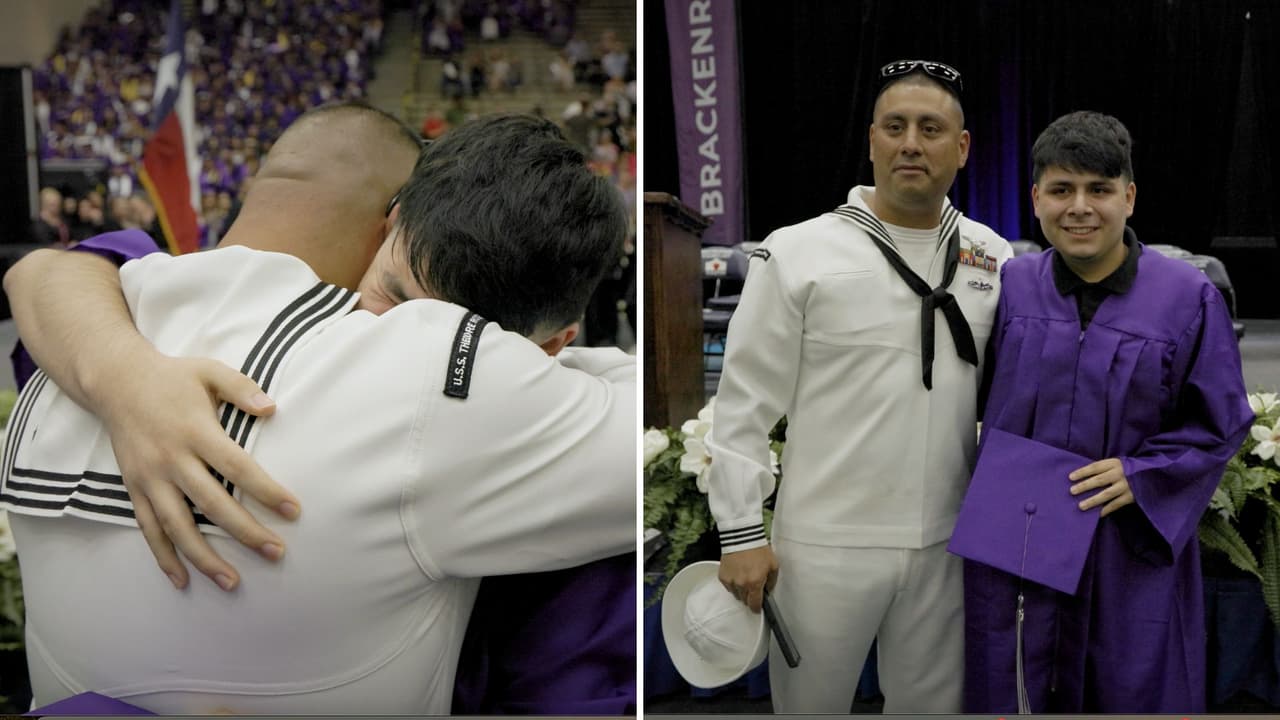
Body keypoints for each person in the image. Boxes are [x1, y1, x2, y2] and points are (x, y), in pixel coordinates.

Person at [1, 109, 635, 715]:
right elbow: (667, 435)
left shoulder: (111, 298)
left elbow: (42, 272)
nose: (394, 327)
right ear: (385, 220)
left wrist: (118, 369)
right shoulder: (447, 383)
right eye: (394, 297)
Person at [703, 60, 1011, 713]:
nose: (911, 143)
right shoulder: (800, 251)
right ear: (871, 140)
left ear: (962, 148)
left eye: (931, 129)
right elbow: (743, 404)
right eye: (895, 127)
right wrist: (740, 532)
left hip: (947, 544)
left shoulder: (993, 256)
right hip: (824, 544)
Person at [956, 111, 1252, 713]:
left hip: (1127, 545)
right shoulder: (1013, 288)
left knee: (1132, 687)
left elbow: (1218, 423)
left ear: (1129, 197)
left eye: (1099, 189)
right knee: (1017, 684)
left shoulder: (1186, 297)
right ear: (1036, 199)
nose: (1080, 207)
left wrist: (1142, 476)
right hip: (1021, 543)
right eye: (1061, 190)